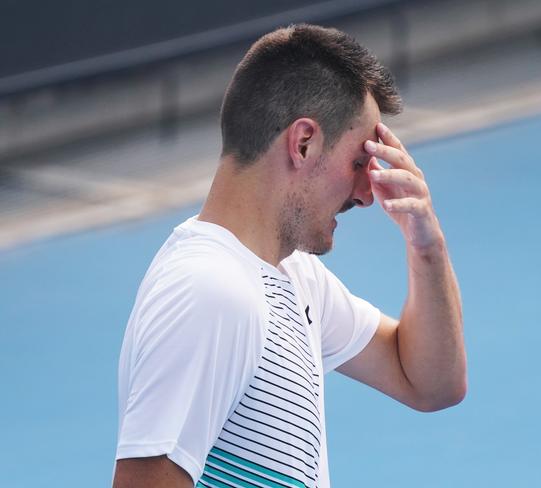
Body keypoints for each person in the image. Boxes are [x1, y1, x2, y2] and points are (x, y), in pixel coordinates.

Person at [113, 23, 466, 488]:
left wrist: (427, 246)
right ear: (303, 143)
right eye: (359, 163)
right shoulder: (211, 292)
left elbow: (431, 383)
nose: (366, 194)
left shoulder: (295, 279)